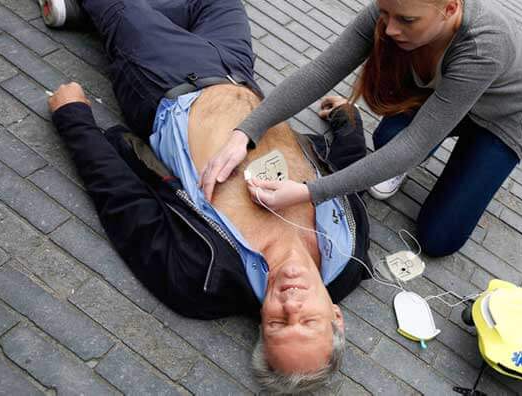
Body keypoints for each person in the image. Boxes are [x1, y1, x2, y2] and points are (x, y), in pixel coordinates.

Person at [40, 0, 370, 392]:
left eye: (279, 323)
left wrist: (74, 120)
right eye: (308, 321)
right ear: (336, 316)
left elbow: (125, 205)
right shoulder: (350, 250)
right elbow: (351, 178)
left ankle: (105, 15)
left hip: (165, 82)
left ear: (263, 321)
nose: (291, 305)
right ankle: (96, 17)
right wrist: (347, 120)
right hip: (238, 73)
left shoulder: (200, 280)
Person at [204, 0, 522, 257]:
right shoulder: (393, 8)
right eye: (384, 13)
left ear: (450, 9)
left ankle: (422, 163)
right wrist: (246, 132)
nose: (390, 29)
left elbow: (416, 143)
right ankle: (395, 161)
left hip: (497, 121)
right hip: (443, 101)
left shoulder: (484, 45)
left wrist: (310, 192)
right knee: (388, 139)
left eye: (406, 21)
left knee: (439, 238)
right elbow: (322, 71)